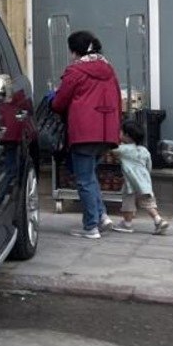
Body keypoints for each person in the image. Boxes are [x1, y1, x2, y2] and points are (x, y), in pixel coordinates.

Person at [51, 29, 122, 239]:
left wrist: (52, 99)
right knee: (90, 177)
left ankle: (91, 226)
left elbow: (59, 103)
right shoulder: (109, 69)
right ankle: (102, 216)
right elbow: (118, 100)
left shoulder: (75, 71)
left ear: (75, 51)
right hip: (107, 132)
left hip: (84, 132)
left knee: (84, 180)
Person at [114, 119, 169, 234]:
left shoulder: (123, 149)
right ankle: (158, 219)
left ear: (126, 135)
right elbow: (149, 166)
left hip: (130, 183)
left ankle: (127, 224)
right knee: (148, 204)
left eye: (121, 132)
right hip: (144, 183)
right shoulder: (144, 150)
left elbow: (111, 150)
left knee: (128, 204)